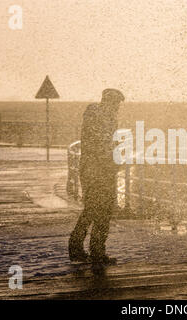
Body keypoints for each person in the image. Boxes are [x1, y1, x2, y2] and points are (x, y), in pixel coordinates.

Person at [68, 88, 125, 265]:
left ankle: (80, 248)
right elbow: (101, 145)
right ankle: (94, 252)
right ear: (109, 102)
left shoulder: (96, 116)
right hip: (98, 171)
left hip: (94, 170)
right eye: (116, 104)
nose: (117, 108)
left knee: (93, 209)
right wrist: (114, 160)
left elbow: (103, 143)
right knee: (101, 210)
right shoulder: (102, 118)